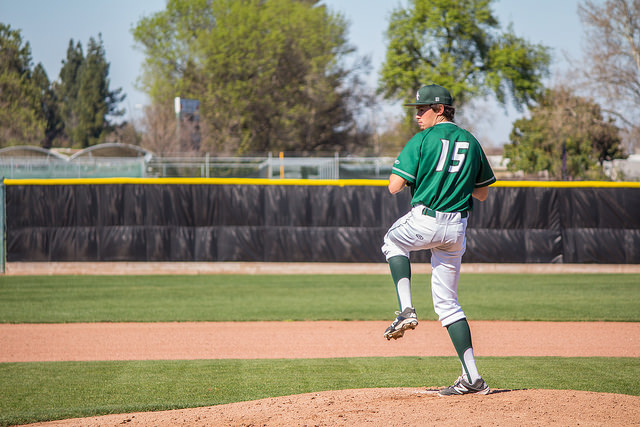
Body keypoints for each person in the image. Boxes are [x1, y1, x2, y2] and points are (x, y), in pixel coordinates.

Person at [381, 84, 496, 396]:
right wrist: (453, 182)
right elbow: (482, 192)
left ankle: (406, 309)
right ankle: (472, 378)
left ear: (440, 109)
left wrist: (427, 178)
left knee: (392, 242)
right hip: (457, 228)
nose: (418, 115)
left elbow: (394, 186)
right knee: (447, 303)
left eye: (422, 109)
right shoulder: (471, 141)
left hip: (427, 219)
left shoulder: (422, 140)